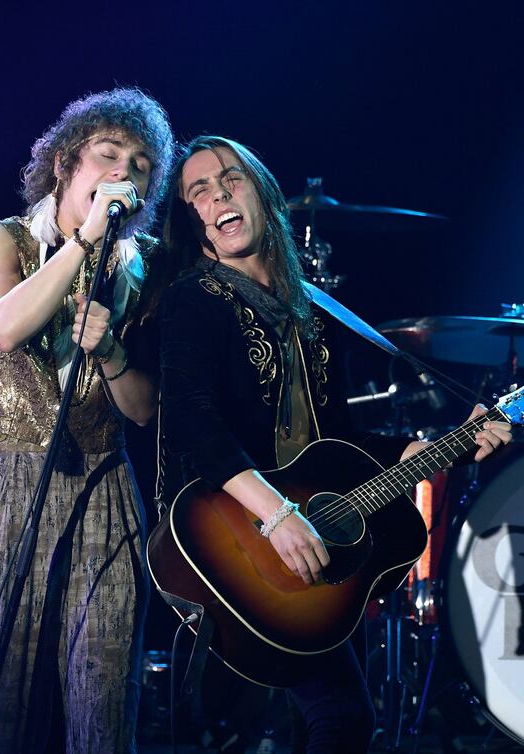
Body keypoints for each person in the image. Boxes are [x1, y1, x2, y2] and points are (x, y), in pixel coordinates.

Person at [152, 136, 513, 753]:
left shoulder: (314, 313)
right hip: (233, 539)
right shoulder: (194, 299)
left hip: (311, 539)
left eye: (230, 180)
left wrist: (430, 448)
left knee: (327, 721)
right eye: (200, 192)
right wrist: (278, 513)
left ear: (262, 193)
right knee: (337, 716)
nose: (218, 197)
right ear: (198, 224)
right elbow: (190, 420)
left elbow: (334, 442)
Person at [0, 87, 174, 754]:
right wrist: (85, 241)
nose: (123, 174)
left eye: (139, 165)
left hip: (104, 488)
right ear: (64, 167)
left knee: (103, 709)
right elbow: (5, 326)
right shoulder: (2, 240)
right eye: (108, 156)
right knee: (4, 710)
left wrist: (110, 350)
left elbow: (141, 410)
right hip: (3, 482)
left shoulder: (149, 269)